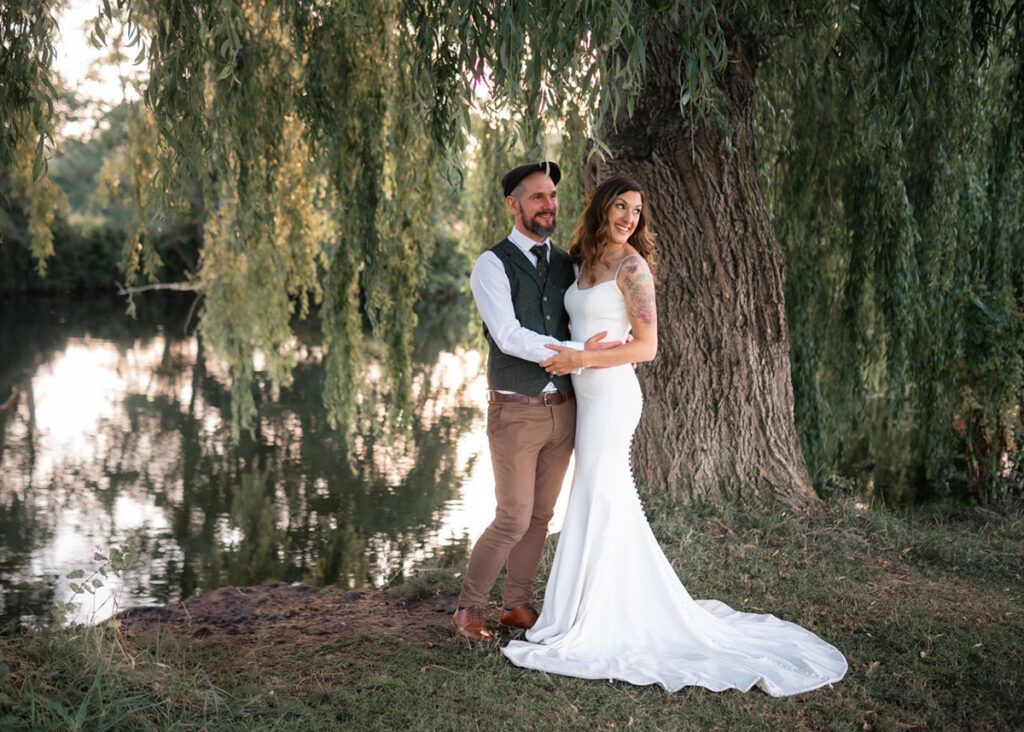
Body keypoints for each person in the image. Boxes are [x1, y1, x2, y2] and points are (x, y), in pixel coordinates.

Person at [501, 175, 848, 696]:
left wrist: (585, 356)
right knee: (596, 495)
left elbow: (647, 347)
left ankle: (603, 614)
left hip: (613, 395)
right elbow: (574, 319)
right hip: (585, 395)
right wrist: (573, 350)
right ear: (600, 208)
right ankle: (587, 604)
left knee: (598, 489)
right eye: (620, 206)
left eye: (636, 211)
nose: (628, 218)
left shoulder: (633, 267)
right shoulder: (581, 260)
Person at [453, 162, 620, 641]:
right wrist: (577, 354)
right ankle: (469, 608)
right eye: (537, 197)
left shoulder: (568, 262)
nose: (548, 205)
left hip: (564, 410)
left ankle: (516, 605)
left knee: (542, 517)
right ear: (514, 204)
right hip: (516, 411)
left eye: (552, 196)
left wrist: (615, 353)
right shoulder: (492, 264)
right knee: (512, 516)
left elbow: (585, 319)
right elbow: (507, 335)